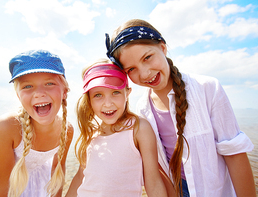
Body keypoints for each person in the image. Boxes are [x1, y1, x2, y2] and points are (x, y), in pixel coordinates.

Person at [105, 19, 256, 197]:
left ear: (162, 48)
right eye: (131, 69)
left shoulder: (208, 88)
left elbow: (235, 154)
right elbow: (161, 166)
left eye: (147, 57)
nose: (145, 73)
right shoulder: (143, 108)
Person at [65, 59, 168, 197]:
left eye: (115, 92)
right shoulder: (91, 134)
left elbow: (153, 182)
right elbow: (79, 178)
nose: (108, 104)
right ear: (89, 101)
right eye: (98, 95)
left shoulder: (138, 129)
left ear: (127, 93)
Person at [0, 50, 74, 197]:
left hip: (41, 181)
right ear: (18, 95)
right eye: (27, 86)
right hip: (13, 183)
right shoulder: (4, 128)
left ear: (65, 91)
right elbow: (2, 186)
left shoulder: (67, 130)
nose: (39, 93)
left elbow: (58, 171)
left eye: (49, 83)